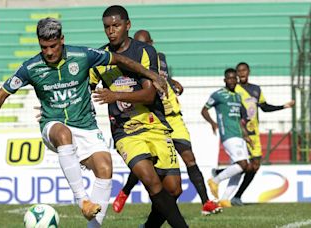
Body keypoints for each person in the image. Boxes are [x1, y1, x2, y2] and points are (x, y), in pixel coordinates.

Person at [0, 17, 167, 228]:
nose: (49, 52)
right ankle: (82, 200)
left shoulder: (82, 55)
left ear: (62, 40)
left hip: (86, 125)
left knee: (105, 169)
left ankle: (93, 226)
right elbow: (1, 94)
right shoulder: (31, 67)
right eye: (44, 47)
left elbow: (120, 59)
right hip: (53, 125)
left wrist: (152, 74)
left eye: (53, 46)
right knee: (63, 134)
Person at [90, 5, 188, 228]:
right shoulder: (99, 58)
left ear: (128, 25)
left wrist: (115, 94)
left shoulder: (144, 52)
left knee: (173, 189)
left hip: (155, 125)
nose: (111, 31)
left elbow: (149, 93)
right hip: (126, 131)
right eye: (107, 27)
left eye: (116, 25)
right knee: (151, 181)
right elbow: (84, 89)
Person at [111, 29, 221, 216]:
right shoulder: (132, 65)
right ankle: (125, 191)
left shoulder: (159, 58)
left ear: (152, 43)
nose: (143, 47)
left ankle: (206, 202)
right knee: (147, 162)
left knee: (189, 158)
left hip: (174, 117)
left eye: (146, 43)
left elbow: (161, 76)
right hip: (153, 119)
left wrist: (172, 81)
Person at [226, 62, 294, 206]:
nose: (241, 73)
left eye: (244, 70)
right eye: (239, 71)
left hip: (254, 134)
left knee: (255, 166)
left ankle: (236, 196)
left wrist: (283, 106)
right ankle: (220, 176)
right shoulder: (234, 89)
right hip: (240, 132)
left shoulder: (256, 89)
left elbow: (264, 107)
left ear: (248, 71)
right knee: (243, 164)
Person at [201, 68, 251, 208]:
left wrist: (246, 135)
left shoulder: (237, 96)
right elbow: (204, 110)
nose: (231, 80)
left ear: (236, 79)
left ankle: (225, 199)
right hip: (228, 134)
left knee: (242, 168)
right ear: (225, 80)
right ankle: (215, 180)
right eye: (229, 78)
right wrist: (213, 123)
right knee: (242, 164)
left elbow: (240, 119)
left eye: (234, 78)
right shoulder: (218, 95)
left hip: (239, 135)